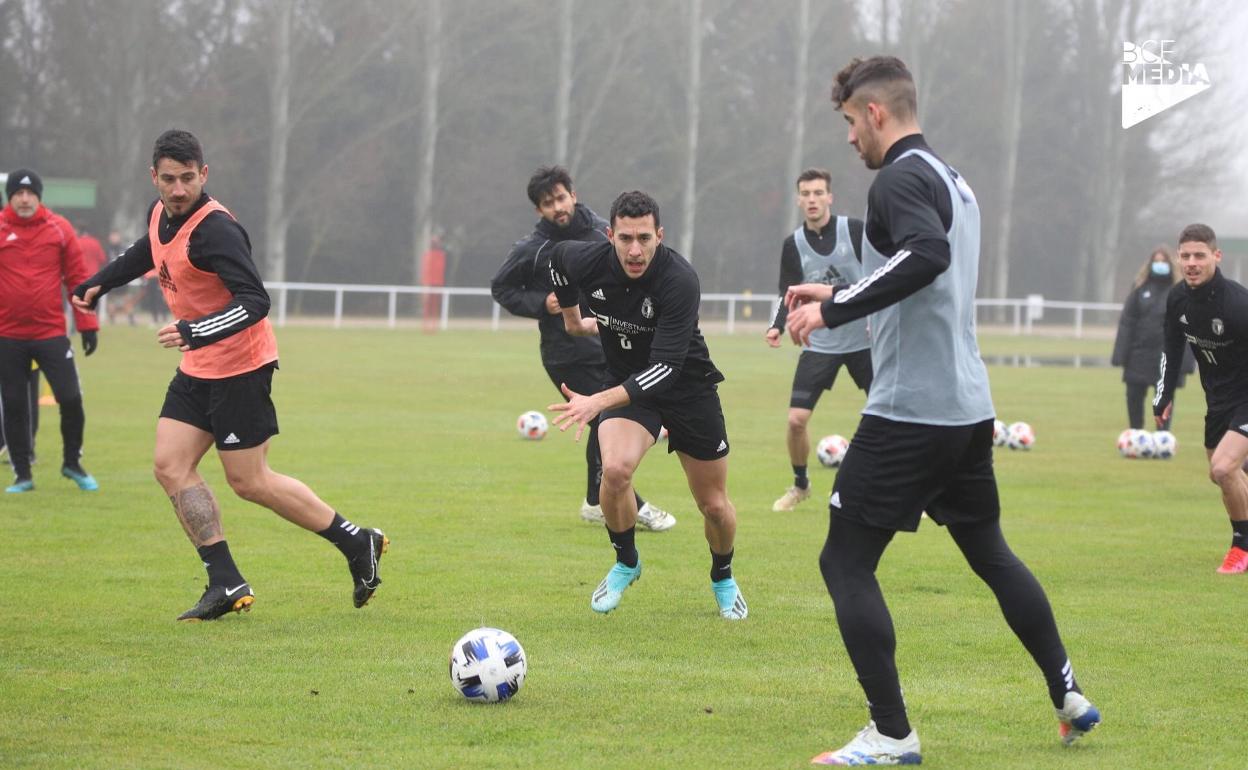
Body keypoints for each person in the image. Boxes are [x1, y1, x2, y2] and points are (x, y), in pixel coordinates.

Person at [784, 57, 1099, 764]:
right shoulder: (954, 180)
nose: (847, 141)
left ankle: (892, 735)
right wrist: (833, 306)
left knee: (844, 562)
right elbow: (917, 284)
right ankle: (1068, 693)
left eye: (847, 123)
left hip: (910, 413)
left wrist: (836, 300)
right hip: (965, 408)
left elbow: (923, 257)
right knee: (990, 552)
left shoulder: (898, 178)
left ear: (874, 113)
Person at [72, 129, 387, 621]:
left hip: (241, 367)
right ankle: (225, 579)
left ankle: (357, 541)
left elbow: (255, 300)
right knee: (169, 465)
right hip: (198, 368)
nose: (178, 189)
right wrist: (100, 283)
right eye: (169, 179)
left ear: (204, 174)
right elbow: (148, 250)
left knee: (250, 481)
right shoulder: (161, 213)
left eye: (188, 178)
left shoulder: (216, 229)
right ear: (154, 177)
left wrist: (196, 330)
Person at [548, 190, 746, 620]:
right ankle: (626, 563)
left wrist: (595, 402)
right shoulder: (588, 261)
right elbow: (555, 259)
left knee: (713, 505)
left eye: (643, 238)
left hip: (687, 388)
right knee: (615, 471)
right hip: (625, 385)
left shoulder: (679, 280)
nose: (634, 250)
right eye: (624, 238)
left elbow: (666, 370)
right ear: (610, 236)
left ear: (659, 235)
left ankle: (723, 576)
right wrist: (571, 319)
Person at [491, 166, 673, 530]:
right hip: (566, 352)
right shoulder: (533, 249)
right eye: (547, 203)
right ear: (538, 210)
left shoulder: (604, 233)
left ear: (572, 194)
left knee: (609, 418)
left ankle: (596, 500)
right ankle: (626, 504)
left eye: (560, 197)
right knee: (607, 418)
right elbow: (502, 289)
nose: (557, 207)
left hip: (613, 344)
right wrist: (543, 304)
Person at [766, 168, 871, 511]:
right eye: (806, 194)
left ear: (830, 197)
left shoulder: (854, 231)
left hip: (865, 341)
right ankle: (801, 486)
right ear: (798, 199)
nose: (812, 199)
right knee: (796, 420)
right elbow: (788, 292)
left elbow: (879, 275)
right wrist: (777, 326)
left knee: (895, 418)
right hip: (820, 343)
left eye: (818, 193)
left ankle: (913, 489)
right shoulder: (793, 244)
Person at [1154, 223, 1248, 574]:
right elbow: (1172, 349)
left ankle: (1241, 548)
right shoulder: (1178, 298)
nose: (1192, 263)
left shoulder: (1237, 304)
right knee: (1222, 475)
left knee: (1224, 468)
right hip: (1218, 401)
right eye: (1186, 256)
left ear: (1216, 256)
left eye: (1200, 255)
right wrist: (1163, 397)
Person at [0, 168, 100, 493]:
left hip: (51, 333)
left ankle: (72, 462)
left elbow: (77, 278)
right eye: (18, 193)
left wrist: (87, 325)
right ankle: (22, 474)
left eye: (30, 193)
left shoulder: (59, 229)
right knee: (14, 405)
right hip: (7, 336)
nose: (25, 199)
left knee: (70, 397)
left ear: (39, 197)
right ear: (10, 197)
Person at [1112, 246, 1192, 431]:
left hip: (1167, 357)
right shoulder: (1139, 290)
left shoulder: (1180, 293)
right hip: (1138, 355)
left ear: (1170, 264)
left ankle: (1162, 436)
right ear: (1150, 264)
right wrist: (1120, 355)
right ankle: (1136, 434)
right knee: (1133, 395)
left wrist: (1187, 362)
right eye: (1156, 261)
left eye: (1163, 261)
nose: (1160, 265)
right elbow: (1127, 324)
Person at [421, 235, 446, 332]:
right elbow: (427, 270)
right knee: (428, 306)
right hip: (430, 283)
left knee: (434, 306)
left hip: (436, 283)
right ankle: (427, 325)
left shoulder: (440, 255)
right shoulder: (428, 255)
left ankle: (433, 325)